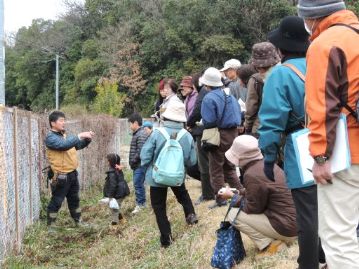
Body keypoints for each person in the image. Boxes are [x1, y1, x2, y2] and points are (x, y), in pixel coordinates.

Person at [258, 16, 326, 269]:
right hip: (336, 142)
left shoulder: (280, 75)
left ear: (281, 48)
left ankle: (307, 264)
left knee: (307, 214)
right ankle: (327, 256)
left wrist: (268, 156)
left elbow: (272, 121)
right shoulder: (322, 64)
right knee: (332, 207)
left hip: (302, 147)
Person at [298, 1, 359, 268]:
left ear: (310, 17)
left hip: (348, 153)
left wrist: (320, 157)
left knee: (339, 236)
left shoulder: (326, 43)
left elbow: (321, 106)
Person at [220, 135, 297, 255]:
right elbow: (260, 192)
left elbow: (252, 208)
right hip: (295, 224)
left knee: (233, 215)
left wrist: (233, 197)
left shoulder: (251, 174)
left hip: (286, 228)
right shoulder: (266, 164)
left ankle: (270, 245)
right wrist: (239, 192)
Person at [140, 101, 198, 248]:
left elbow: (145, 155)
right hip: (177, 176)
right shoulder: (187, 136)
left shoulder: (157, 133)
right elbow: (192, 161)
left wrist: (145, 165)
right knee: (183, 195)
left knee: (159, 207)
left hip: (157, 177)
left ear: (166, 117)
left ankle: (167, 239)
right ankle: (191, 215)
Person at [200, 67, 242, 209]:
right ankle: (241, 194)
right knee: (230, 167)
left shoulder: (209, 98)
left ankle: (221, 199)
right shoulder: (229, 95)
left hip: (219, 134)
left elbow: (208, 121)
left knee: (216, 168)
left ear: (207, 84)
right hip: (233, 134)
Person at [45, 111, 94, 228]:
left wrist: (87, 139)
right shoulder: (51, 138)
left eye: (64, 120)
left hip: (72, 174)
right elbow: (63, 145)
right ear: (53, 123)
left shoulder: (64, 136)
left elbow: (77, 146)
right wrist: (80, 135)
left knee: (74, 200)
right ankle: (51, 225)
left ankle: (78, 221)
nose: (63, 123)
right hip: (61, 176)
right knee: (56, 202)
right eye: (61, 120)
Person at [187, 73, 215, 204]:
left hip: (203, 131)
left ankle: (207, 194)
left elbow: (197, 111)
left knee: (203, 164)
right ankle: (215, 190)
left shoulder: (204, 92)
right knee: (215, 162)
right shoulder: (221, 91)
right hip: (217, 130)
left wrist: (189, 123)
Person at [244, 42, 280, 137]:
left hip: (261, 127)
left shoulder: (255, 79)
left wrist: (247, 126)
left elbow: (251, 107)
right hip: (283, 128)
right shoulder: (284, 73)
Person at [128, 113, 149, 214]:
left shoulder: (140, 134)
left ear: (136, 123)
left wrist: (133, 161)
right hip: (138, 165)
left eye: (130, 124)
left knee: (138, 184)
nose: (130, 126)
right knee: (139, 184)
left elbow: (141, 151)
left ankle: (141, 204)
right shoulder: (139, 133)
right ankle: (140, 203)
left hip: (139, 165)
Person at [103, 153, 127, 225]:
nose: (107, 162)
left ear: (111, 162)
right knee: (116, 207)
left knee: (114, 209)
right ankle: (122, 220)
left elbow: (113, 185)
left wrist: (110, 196)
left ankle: (114, 225)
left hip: (118, 194)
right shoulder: (118, 169)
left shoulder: (112, 173)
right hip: (121, 192)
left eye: (108, 161)